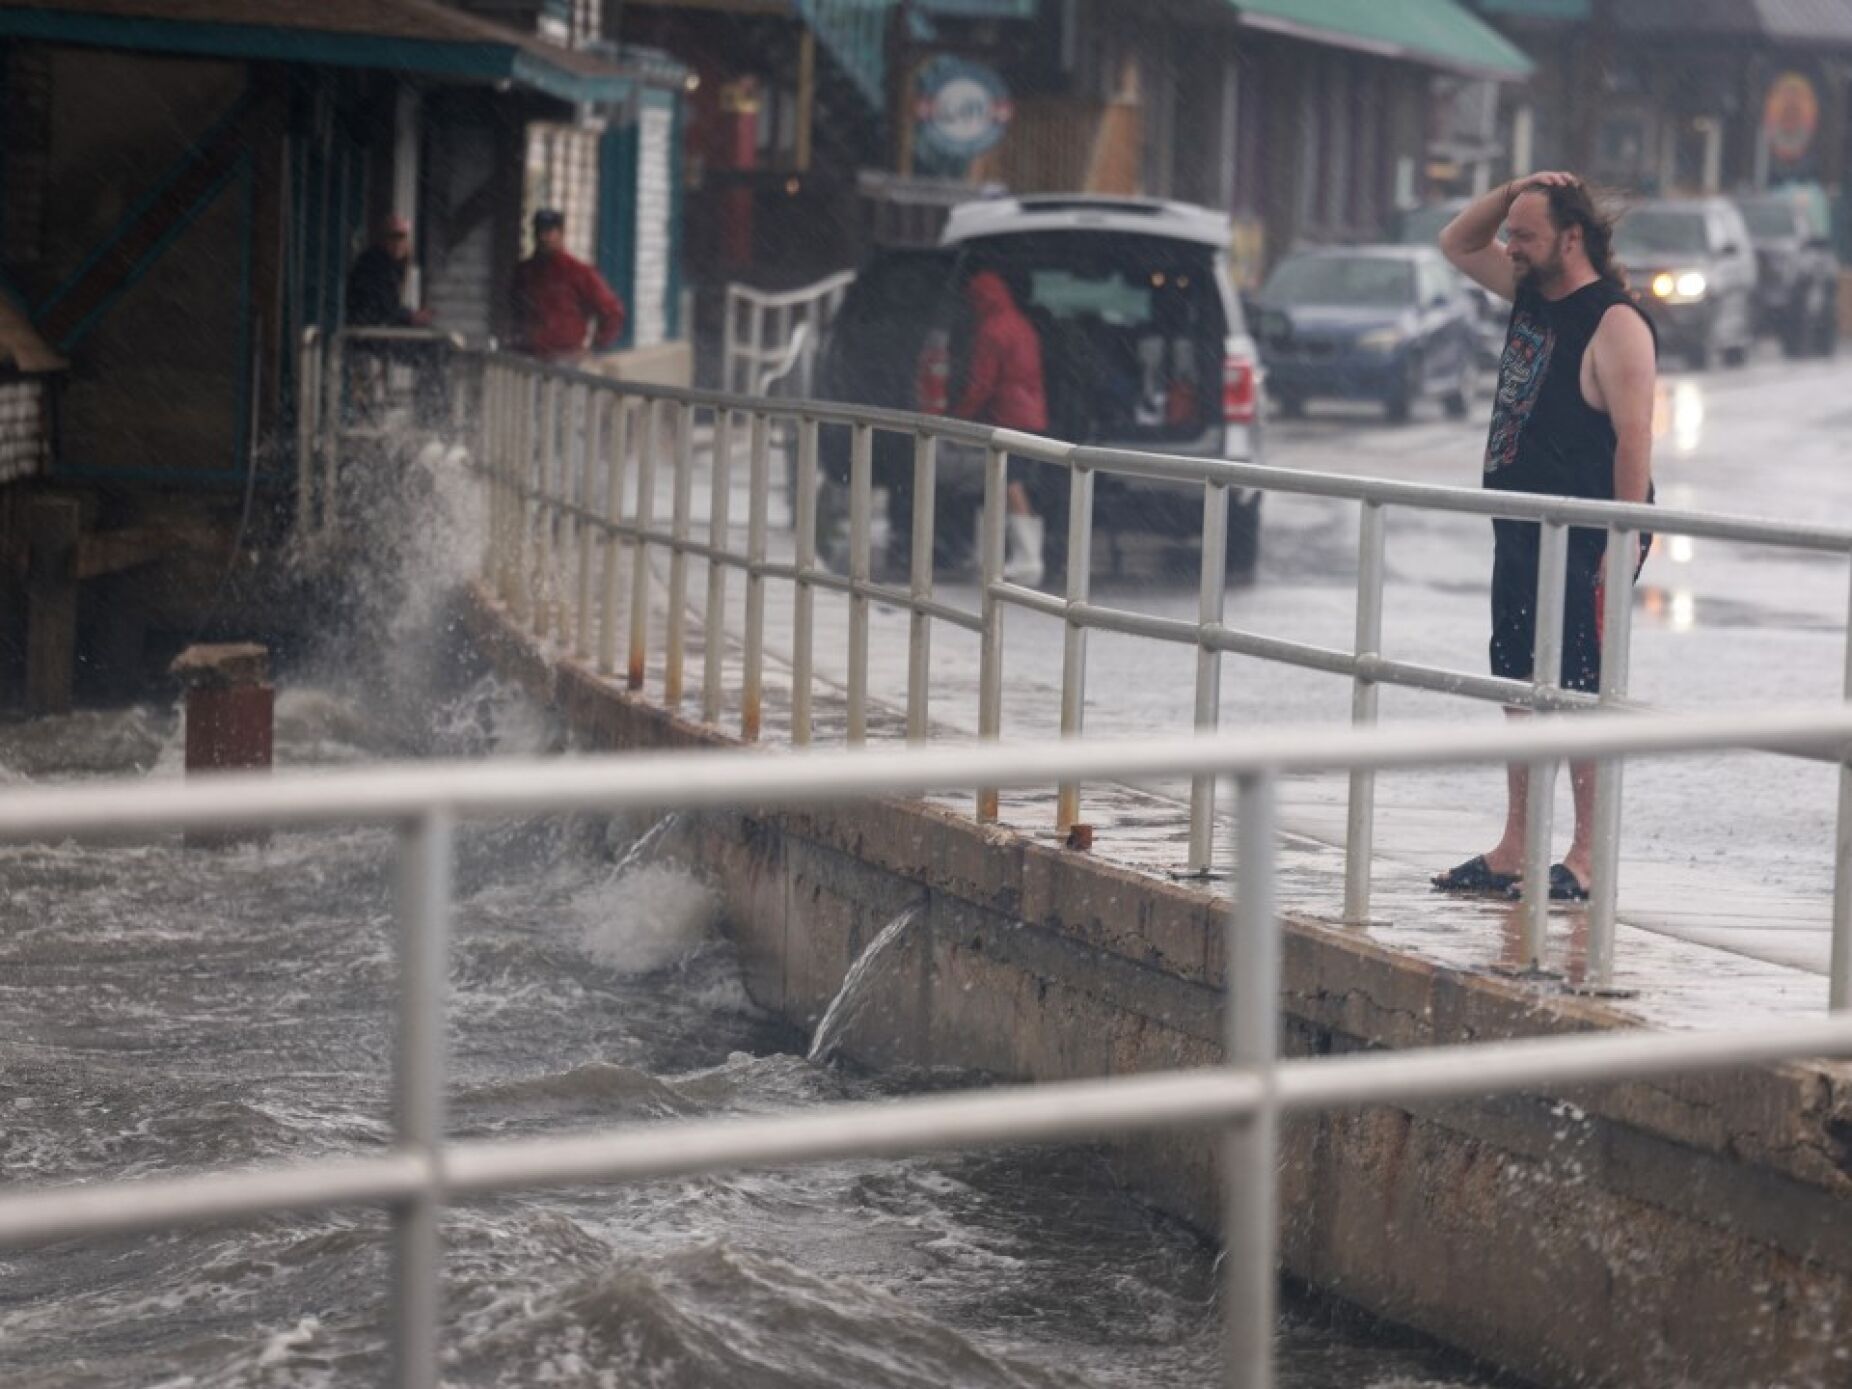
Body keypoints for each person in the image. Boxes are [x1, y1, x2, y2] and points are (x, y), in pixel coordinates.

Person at [1432, 171, 1658, 903]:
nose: (1512, 246)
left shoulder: (1614, 321)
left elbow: (1635, 440)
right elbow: (1457, 241)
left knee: (1579, 684)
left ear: (1571, 238)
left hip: (1589, 527)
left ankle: (1588, 854)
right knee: (1519, 678)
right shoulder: (1532, 291)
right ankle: (1517, 847)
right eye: (1514, 234)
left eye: (1527, 235)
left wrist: (1621, 540)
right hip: (1523, 519)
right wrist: (1511, 191)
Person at [952, 270, 1049, 585]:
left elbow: (982, 382)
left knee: (1009, 481)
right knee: (1010, 479)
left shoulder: (992, 330)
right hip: (1032, 412)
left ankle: (1026, 557)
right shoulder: (1021, 325)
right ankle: (1012, 554)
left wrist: (960, 415)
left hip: (1008, 415)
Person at [510, 209, 625, 360]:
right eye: (539, 231)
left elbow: (612, 311)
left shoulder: (578, 273)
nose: (543, 237)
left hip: (565, 359)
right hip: (528, 357)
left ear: (561, 234)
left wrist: (596, 347)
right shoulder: (524, 272)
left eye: (549, 231)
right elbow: (514, 309)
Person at [344, 215, 434, 329]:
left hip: (378, 328)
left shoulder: (396, 265)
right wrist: (410, 316)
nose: (397, 242)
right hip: (364, 331)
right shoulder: (372, 265)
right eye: (392, 237)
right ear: (383, 239)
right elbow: (381, 308)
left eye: (402, 237)